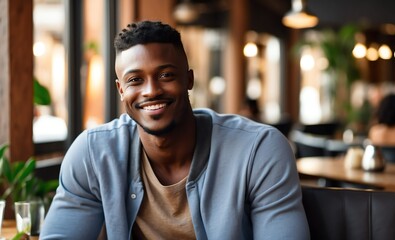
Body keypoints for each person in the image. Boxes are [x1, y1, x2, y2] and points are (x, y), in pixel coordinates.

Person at [40, 21, 310, 239]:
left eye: (166, 75)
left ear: (189, 79)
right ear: (121, 90)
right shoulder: (92, 153)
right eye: (135, 80)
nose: (151, 90)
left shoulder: (259, 149)